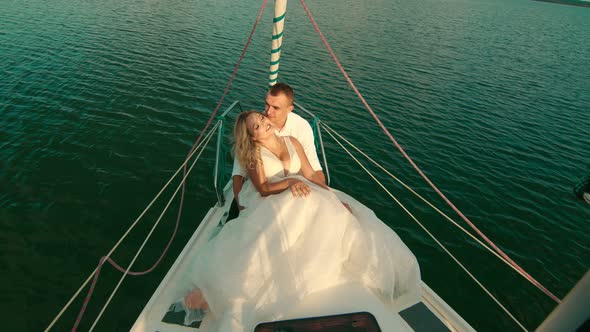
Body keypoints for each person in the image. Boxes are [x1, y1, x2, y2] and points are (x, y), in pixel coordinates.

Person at [176, 111, 421, 331]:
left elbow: (310, 174)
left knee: (335, 210)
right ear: (252, 136)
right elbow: (262, 188)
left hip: (302, 189)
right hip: (271, 195)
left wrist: (332, 196)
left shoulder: (291, 141)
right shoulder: (253, 154)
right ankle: (232, 287)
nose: (264, 122)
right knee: (294, 210)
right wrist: (292, 182)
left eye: (262, 118)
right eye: (257, 126)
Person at [231, 83, 324, 213]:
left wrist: (328, 198)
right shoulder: (252, 129)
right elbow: (238, 173)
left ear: (289, 109)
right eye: (267, 104)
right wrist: (240, 208)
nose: (268, 112)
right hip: (266, 203)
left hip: (298, 196)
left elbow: (314, 171)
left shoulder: (301, 128)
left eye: (276, 107)